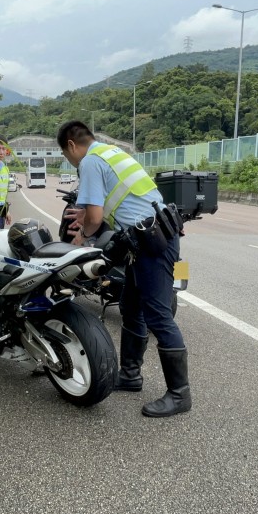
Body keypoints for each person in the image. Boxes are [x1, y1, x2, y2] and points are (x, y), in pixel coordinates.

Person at [56, 120, 190, 418]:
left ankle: (180, 395)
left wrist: (79, 239)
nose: (72, 161)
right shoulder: (110, 153)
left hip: (152, 242)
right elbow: (117, 202)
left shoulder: (90, 161)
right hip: (147, 238)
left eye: (68, 157)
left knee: (158, 315)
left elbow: (94, 218)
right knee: (130, 306)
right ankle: (130, 375)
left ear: (71, 146)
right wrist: (87, 213)